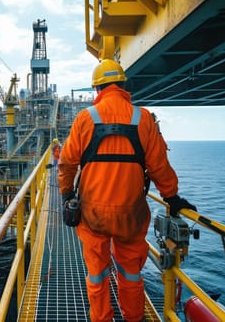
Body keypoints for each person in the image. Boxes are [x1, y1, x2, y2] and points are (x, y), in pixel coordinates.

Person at [57, 59, 196, 322]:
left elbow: (66, 163)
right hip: (131, 214)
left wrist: (66, 194)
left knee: (97, 274)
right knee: (131, 273)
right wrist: (172, 197)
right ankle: (133, 318)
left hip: (92, 212)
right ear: (123, 86)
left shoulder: (86, 118)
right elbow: (158, 166)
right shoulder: (142, 118)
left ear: (97, 89)